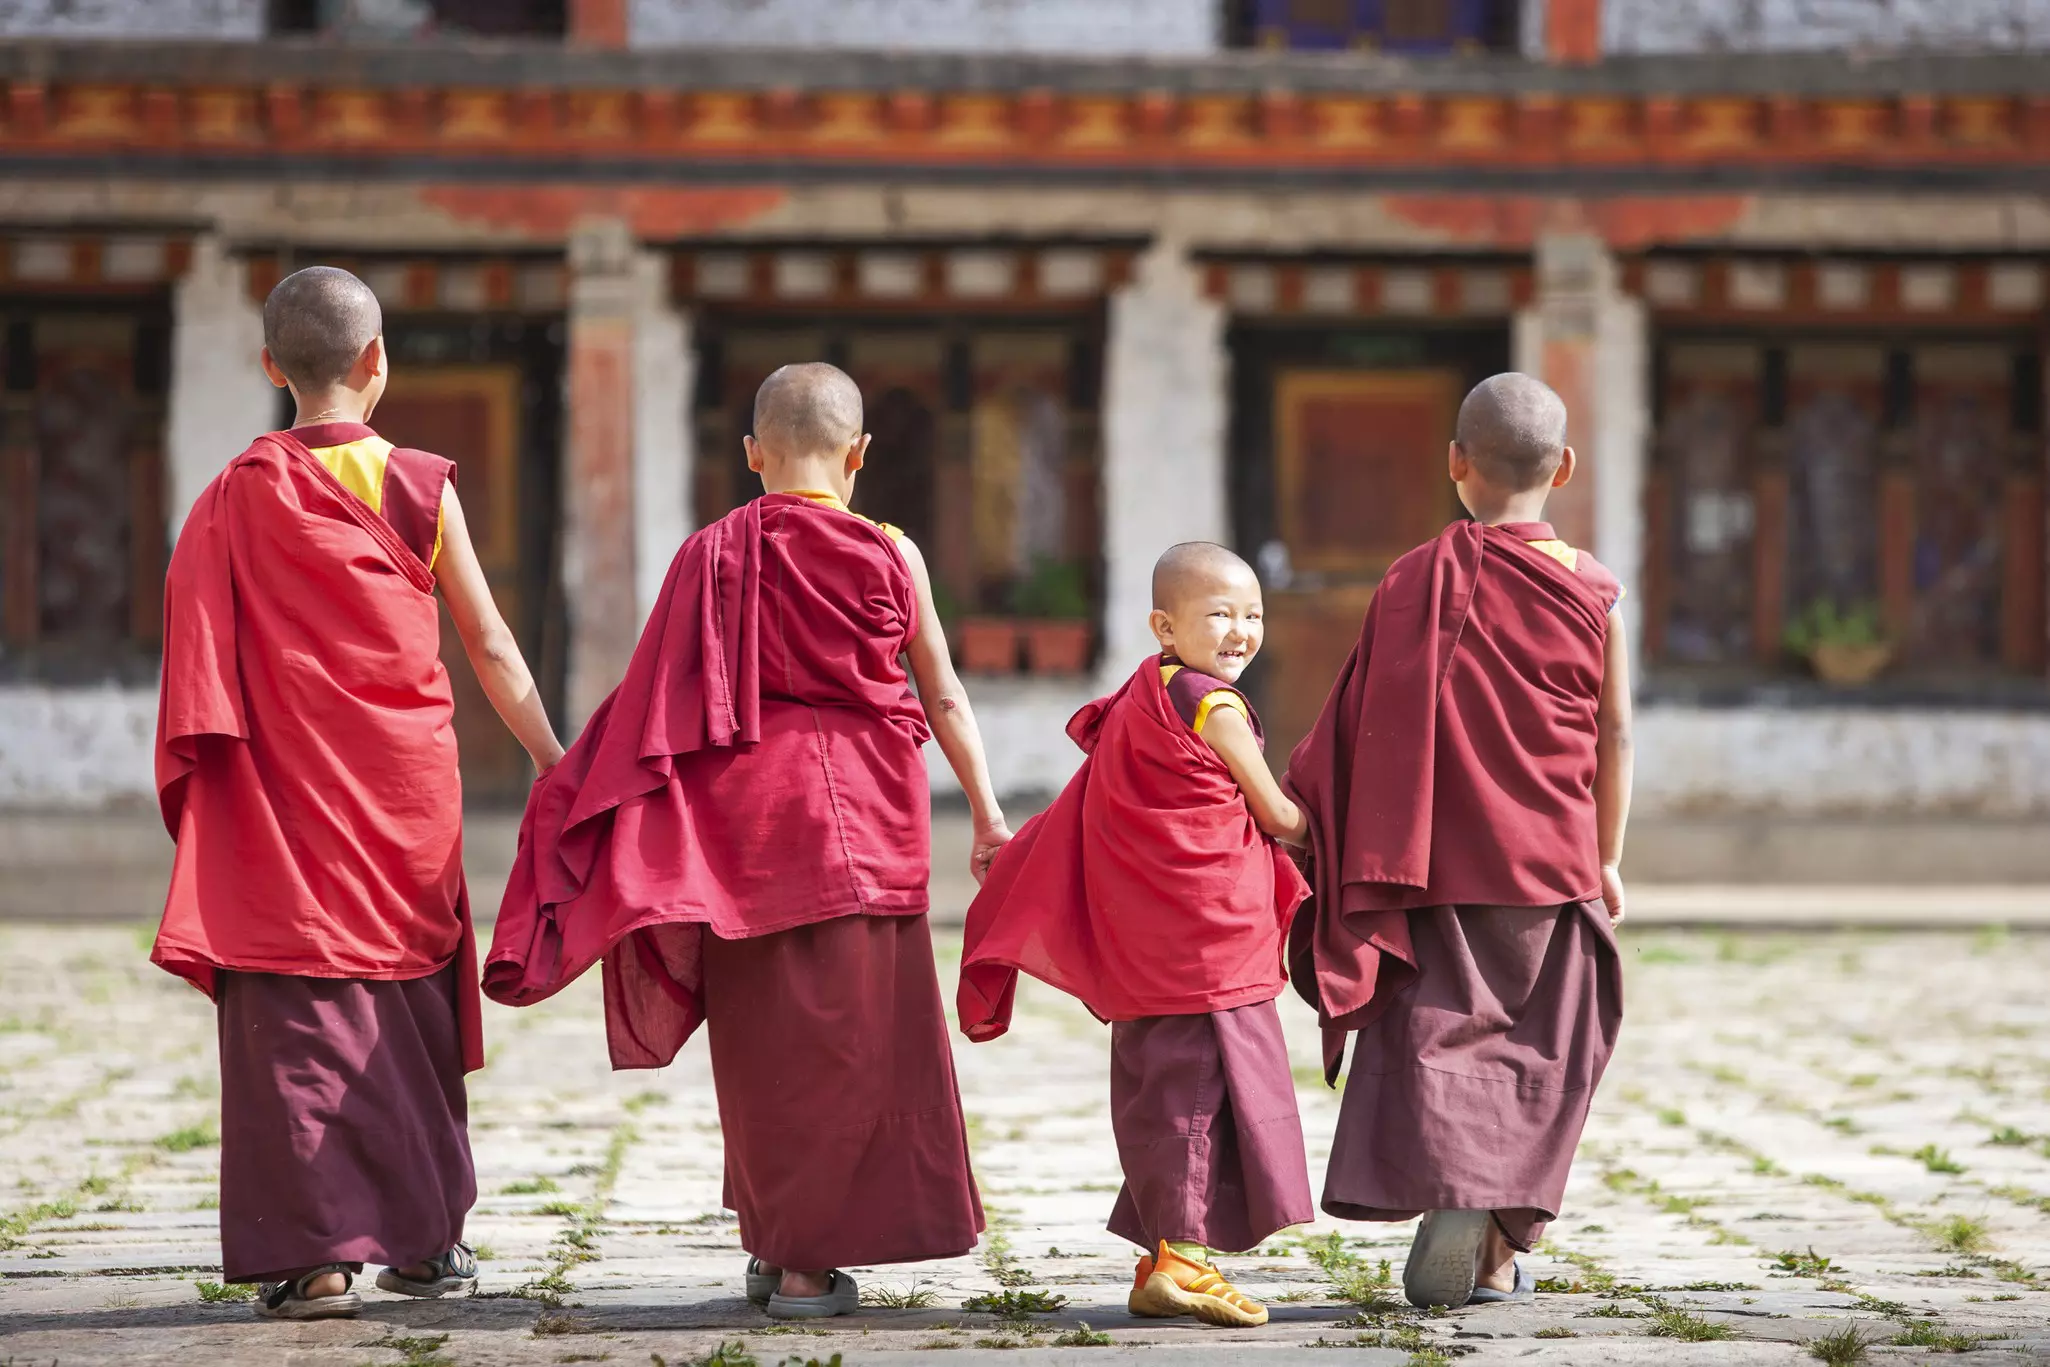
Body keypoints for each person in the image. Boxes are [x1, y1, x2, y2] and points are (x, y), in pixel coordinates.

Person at [487, 362, 1008, 1320]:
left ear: (752, 455)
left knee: (768, 1043)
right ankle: (806, 1265)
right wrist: (985, 813)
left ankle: (779, 1246)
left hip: (753, 831)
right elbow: (942, 693)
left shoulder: (711, 551)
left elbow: (653, 699)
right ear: (858, 455)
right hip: (871, 814)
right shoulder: (894, 551)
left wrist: (574, 779)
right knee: (855, 1042)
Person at [152, 266, 565, 1319]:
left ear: (269, 368)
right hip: (403, 794)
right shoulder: (421, 483)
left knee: (295, 1007)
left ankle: (311, 1258)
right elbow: (491, 644)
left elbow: (204, 655)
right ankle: (424, 1242)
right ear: (379, 362)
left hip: (286, 800)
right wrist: (555, 760)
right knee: (405, 1012)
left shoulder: (238, 492)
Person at [1284, 372, 1631, 1310]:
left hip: (1435, 859)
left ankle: (1456, 1199)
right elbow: (1615, 733)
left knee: (1438, 1026)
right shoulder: (1593, 590)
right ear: (1563, 467)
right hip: (1552, 861)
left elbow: (1358, 722)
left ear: (1455, 464)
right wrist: (1607, 856)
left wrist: (1312, 811)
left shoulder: (1412, 578)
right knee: (1552, 1042)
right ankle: (1495, 1245)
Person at [959, 542, 1313, 1328]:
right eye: (1219, 613)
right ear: (1164, 623)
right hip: (1204, 939)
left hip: (1155, 937)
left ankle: (1163, 1258)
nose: (1240, 631)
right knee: (1200, 1094)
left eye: (1253, 614)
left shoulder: (1147, 692)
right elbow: (1277, 814)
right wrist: (1337, 829)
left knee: (1165, 1091)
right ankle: (1182, 1260)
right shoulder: (1215, 707)